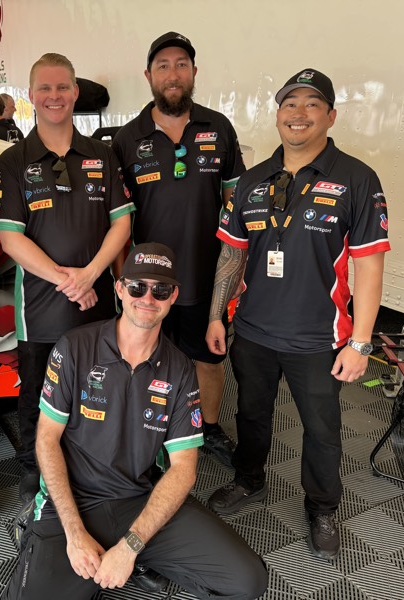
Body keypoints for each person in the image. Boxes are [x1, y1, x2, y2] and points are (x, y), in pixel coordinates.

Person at [2, 243, 267, 600]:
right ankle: (36, 532)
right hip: (72, 501)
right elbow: (46, 440)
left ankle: (136, 558)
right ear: (119, 289)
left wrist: (131, 545)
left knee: (247, 581)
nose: (147, 298)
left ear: (173, 296)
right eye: (137, 287)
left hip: (139, 498)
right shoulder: (74, 348)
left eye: (160, 290)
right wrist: (75, 533)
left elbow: (184, 469)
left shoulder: (180, 369)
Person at [205, 69, 390, 560]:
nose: (299, 113)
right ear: (278, 113)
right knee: (251, 415)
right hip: (253, 332)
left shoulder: (356, 179)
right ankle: (249, 481)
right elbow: (232, 255)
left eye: (312, 104)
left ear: (330, 116)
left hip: (319, 339)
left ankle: (323, 507)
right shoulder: (251, 180)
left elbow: (370, 268)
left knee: (323, 431)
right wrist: (216, 316)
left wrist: (362, 343)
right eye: (290, 104)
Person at [0, 53, 134, 503]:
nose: (54, 96)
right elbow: (10, 238)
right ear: (30, 96)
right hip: (40, 308)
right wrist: (68, 281)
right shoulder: (12, 161)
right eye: (45, 88)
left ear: (75, 93)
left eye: (62, 87)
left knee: (99, 387)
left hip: (98, 303)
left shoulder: (102, 155)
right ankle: (36, 469)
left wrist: (91, 275)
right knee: (37, 392)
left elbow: (122, 224)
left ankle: (93, 464)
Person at [112, 32, 245, 469]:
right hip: (149, 282)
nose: (173, 74)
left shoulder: (218, 127)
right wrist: (121, 276)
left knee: (208, 358)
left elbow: (236, 205)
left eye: (181, 64)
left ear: (193, 72)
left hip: (208, 274)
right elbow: (117, 219)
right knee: (147, 359)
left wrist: (239, 267)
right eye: (164, 66)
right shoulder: (127, 138)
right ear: (149, 76)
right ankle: (150, 433)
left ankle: (207, 428)